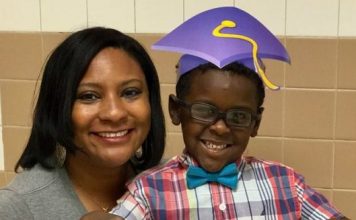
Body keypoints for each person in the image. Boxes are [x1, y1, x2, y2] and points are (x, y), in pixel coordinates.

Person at [82, 7, 347, 220]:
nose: (220, 127)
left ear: (256, 123)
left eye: (239, 116)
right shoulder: (149, 191)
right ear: (176, 110)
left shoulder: (286, 183)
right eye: (204, 111)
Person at [0, 27, 166, 219]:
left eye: (130, 92)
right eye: (89, 96)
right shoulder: (16, 208)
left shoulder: (176, 185)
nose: (114, 113)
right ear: (57, 107)